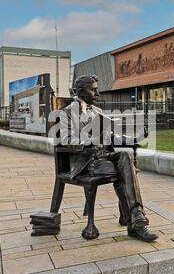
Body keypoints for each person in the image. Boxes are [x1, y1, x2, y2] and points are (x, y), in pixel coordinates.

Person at [57, 75, 158, 243]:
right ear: (81, 91)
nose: (97, 93)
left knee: (125, 157)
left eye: (97, 89)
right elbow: (67, 140)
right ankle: (135, 223)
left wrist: (135, 138)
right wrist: (89, 141)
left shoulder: (98, 111)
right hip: (85, 161)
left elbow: (111, 136)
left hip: (103, 157)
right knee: (125, 171)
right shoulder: (67, 112)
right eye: (93, 89)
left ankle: (136, 218)